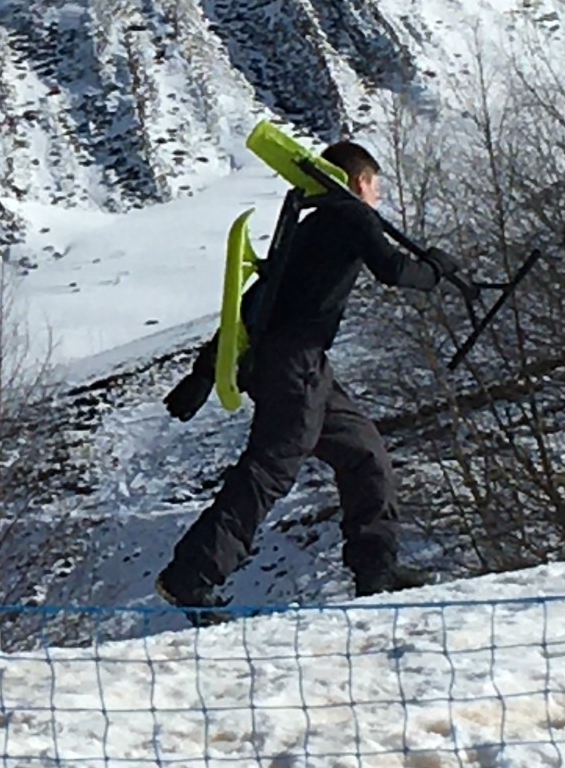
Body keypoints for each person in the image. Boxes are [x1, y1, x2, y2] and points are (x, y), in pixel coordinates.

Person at [157, 142, 461, 618]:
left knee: (365, 454)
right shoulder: (352, 215)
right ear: (361, 182)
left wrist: (205, 369)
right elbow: (394, 269)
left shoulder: (308, 226)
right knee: (271, 467)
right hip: (294, 365)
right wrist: (438, 269)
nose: (378, 197)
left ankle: (376, 570)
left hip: (302, 364)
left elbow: (257, 298)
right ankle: (191, 574)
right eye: (377, 187)